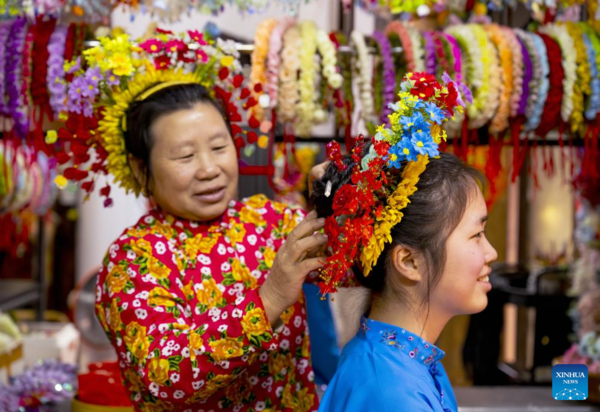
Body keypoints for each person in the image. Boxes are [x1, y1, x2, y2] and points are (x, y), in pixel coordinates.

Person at [61, 31, 327, 411]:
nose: (209, 169)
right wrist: (268, 300)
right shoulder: (133, 261)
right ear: (141, 169)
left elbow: (350, 263)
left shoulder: (270, 220)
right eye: (185, 156)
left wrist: (338, 197)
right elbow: (165, 379)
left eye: (219, 147)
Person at [312, 74, 497, 412]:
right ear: (409, 262)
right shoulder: (390, 391)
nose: (491, 253)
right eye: (476, 235)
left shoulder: (403, 363)